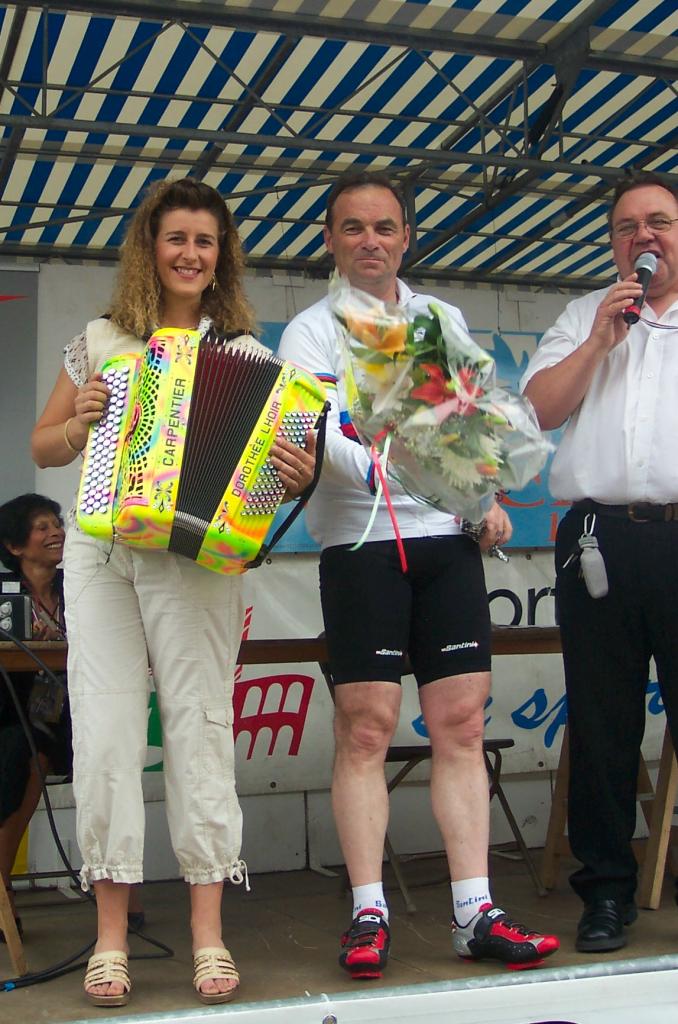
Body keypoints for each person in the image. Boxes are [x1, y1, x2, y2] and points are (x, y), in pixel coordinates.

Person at [31, 178, 315, 1007]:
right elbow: (45, 446)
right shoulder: (100, 338)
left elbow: (266, 488)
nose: (191, 254)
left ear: (222, 256)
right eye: (177, 239)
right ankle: (110, 938)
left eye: (206, 241)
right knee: (107, 727)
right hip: (101, 551)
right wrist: (80, 417)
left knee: (200, 726)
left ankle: (207, 935)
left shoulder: (251, 358)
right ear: (149, 248)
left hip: (193, 561)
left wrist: (290, 473)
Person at [278, 170, 559, 979]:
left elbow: (463, 422)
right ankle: (369, 911)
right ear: (329, 238)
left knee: (461, 725)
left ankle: (476, 910)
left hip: (448, 544)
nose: (371, 241)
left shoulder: (441, 317)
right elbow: (320, 427)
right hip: (361, 542)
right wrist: (392, 465)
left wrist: (482, 494)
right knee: (366, 727)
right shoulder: (310, 330)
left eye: (386, 227)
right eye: (353, 227)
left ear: (407, 236)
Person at [521, 171, 678, 953]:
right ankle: (607, 890)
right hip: (599, 543)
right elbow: (539, 408)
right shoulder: (585, 314)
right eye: (627, 227)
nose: (643, 237)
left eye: (659, 222)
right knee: (603, 721)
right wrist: (598, 342)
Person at [0, 494, 69, 942]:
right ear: (15, 546)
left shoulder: (79, 585)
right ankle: (2, 889)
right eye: (41, 527)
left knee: (109, 757)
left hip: (70, 711)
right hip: (10, 710)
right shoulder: (4, 593)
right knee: (22, 753)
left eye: (56, 524)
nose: (55, 532)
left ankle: (124, 896)